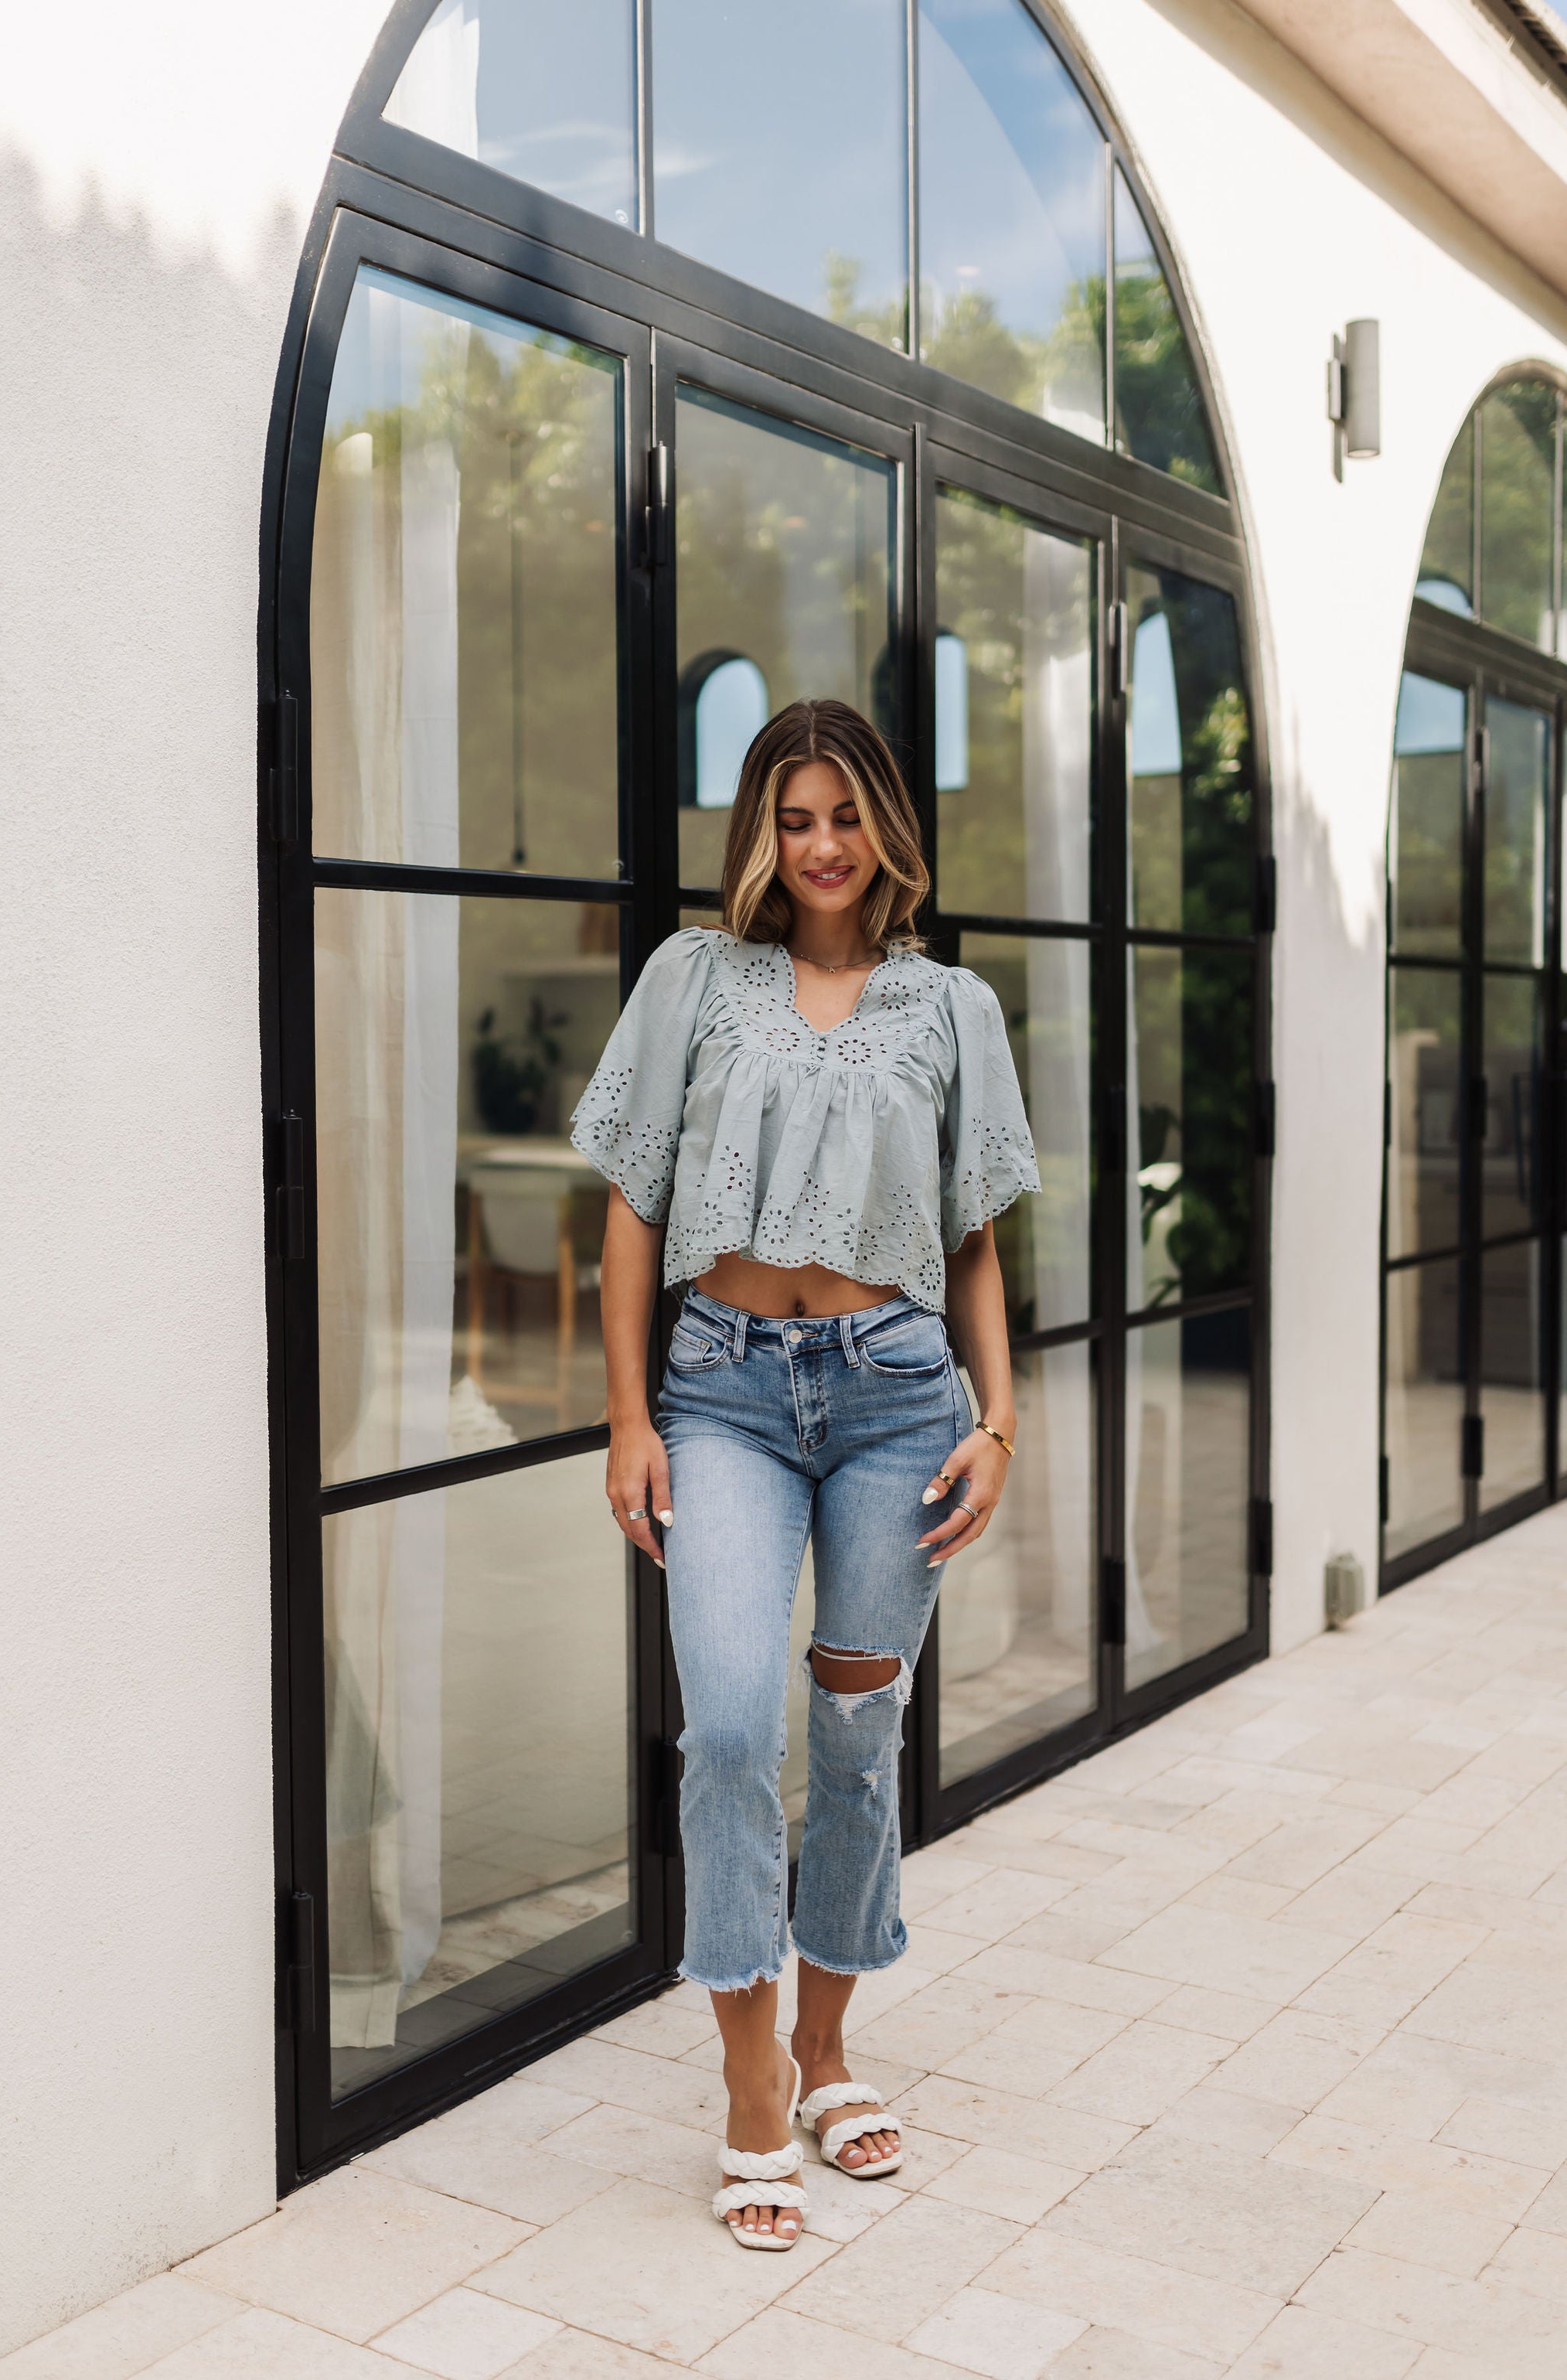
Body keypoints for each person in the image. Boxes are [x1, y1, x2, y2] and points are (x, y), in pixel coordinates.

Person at [571, 697, 1039, 2249]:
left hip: (899, 1400)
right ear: (761, 834)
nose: (820, 846)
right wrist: (630, 1418)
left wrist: (995, 1419)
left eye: (844, 815)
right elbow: (633, 1207)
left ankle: (827, 2048)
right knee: (723, 1728)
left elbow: (972, 1232)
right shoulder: (693, 981)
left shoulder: (949, 1008)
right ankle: (749, 2082)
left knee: (853, 1735)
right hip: (720, 1396)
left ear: (887, 830)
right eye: (792, 816)